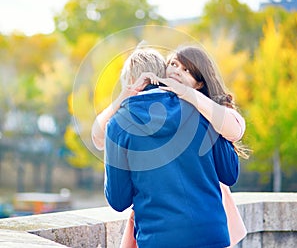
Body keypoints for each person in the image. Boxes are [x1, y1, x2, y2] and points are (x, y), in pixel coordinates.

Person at [92, 46, 247, 247]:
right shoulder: (203, 112)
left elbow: (118, 200)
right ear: (163, 74)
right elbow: (229, 174)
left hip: (159, 238)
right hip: (211, 235)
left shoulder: (118, 125)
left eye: (186, 70)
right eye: (173, 65)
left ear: (130, 82)